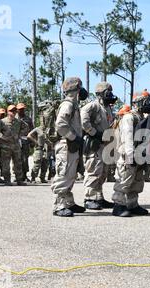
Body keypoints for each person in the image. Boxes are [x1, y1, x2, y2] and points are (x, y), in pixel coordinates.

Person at [111, 93, 150, 217]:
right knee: (125, 180)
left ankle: (132, 204)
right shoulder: (129, 117)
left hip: (140, 154)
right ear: (138, 102)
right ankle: (118, 205)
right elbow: (127, 138)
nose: (148, 104)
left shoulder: (142, 117)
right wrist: (130, 157)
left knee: (137, 181)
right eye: (146, 101)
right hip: (129, 155)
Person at [51, 77, 87, 217]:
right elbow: (60, 124)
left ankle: (68, 203)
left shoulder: (74, 104)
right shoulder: (68, 104)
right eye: (80, 87)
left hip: (72, 145)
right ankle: (59, 206)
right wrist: (74, 137)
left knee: (71, 175)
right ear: (76, 89)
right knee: (64, 175)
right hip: (66, 145)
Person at [81, 82, 116, 210]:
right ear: (101, 93)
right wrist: (94, 133)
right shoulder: (93, 106)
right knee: (93, 171)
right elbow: (83, 120)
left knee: (102, 172)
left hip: (105, 144)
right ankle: (89, 197)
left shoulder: (107, 108)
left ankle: (98, 197)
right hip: (95, 144)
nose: (110, 95)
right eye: (108, 92)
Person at [0, 105, 29, 186]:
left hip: (16, 146)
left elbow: (26, 127)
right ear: (7, 112)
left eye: (15, 111)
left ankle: (19, 180)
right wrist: (2, 137)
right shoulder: (2, 121)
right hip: (5, 146)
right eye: (11, 111)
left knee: (18, 163)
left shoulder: (18, 121)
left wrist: (19, 135)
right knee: (5, 164)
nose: (13, 112)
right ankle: (7, 180)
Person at [16, 103, 34, 182]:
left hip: (25, 141)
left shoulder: (28, 119)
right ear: (17, 110)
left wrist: (32, 142)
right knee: (17, 159)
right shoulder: (14, 118)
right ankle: (18, 176)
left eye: (22, 109)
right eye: (20, 109)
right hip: (16, 141)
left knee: (25, 159)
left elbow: (32, 131)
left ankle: (25, 175)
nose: (21, 110)